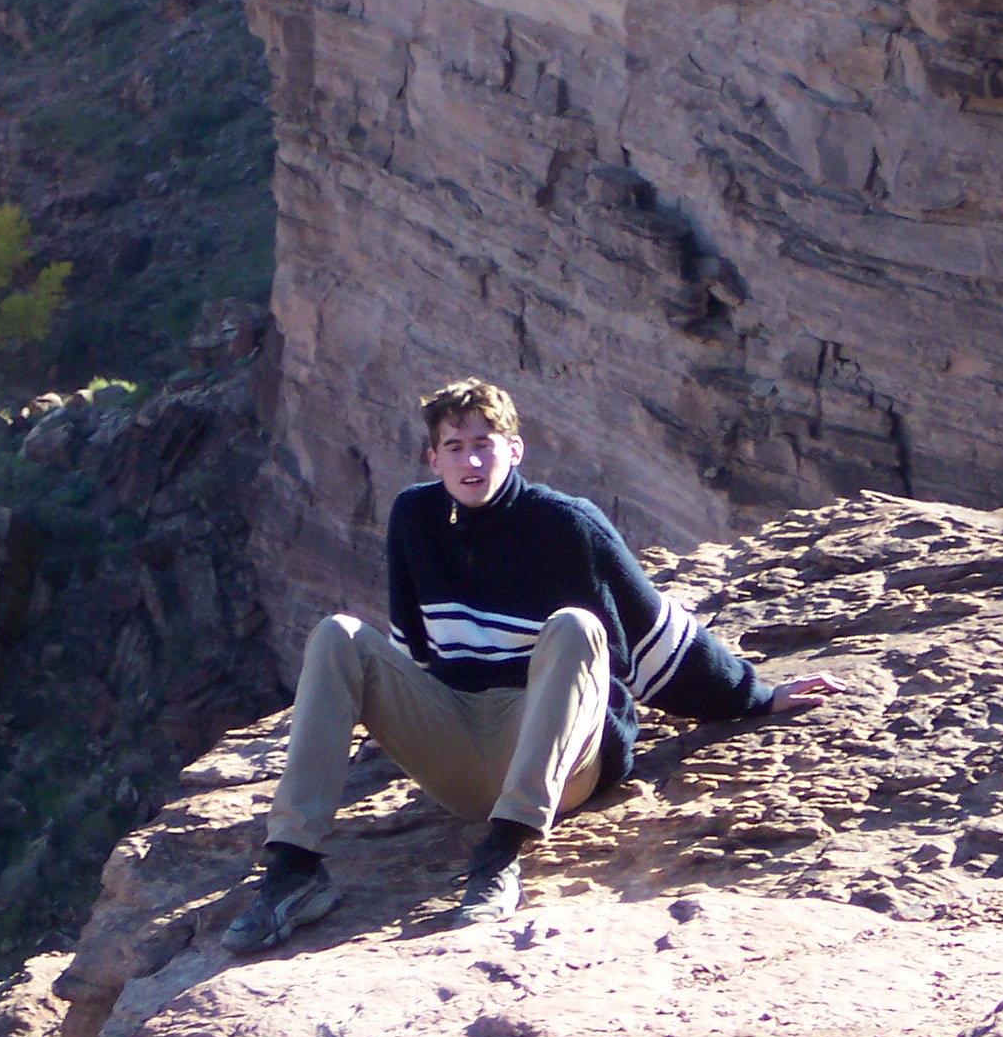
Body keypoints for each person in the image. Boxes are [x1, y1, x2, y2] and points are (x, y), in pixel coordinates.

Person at [223, 377, 847, 949]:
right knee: (338, 634)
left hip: (559, 760)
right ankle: (294, 869)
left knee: (576, 626)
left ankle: (500, 856)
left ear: (514, 450)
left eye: (484, 445)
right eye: (455, 447)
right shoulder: (415, 517)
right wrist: (384, 725)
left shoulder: (568, 525)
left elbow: (655, 634)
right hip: (459, 748)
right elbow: (410, 648)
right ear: (433, 459)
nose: (471, 462)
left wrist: (754, 695)